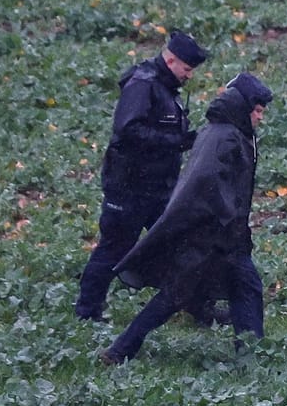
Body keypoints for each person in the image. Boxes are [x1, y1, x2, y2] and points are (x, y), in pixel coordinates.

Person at [100, 73, 274, 364]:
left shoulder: (227, 132)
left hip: (222, 236)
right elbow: (204, 181)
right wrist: (226, 214)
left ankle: (250, 357)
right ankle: (120, 349)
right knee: (175, 296)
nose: (260, 118)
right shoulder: (225, 136)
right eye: (257, 111)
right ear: (243, 107)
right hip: (211, 236)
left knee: (243, 288)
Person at [73, 31, 207, 323]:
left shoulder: (164, 87)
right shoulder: (142, 86)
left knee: (179, 245)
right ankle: (87, 312)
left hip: (158, 188)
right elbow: (127, 130)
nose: (189, 76)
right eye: (186, 69)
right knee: (114, 248)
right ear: (171, 60)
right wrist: (177, 141)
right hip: (130, 189)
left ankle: (198, 308)